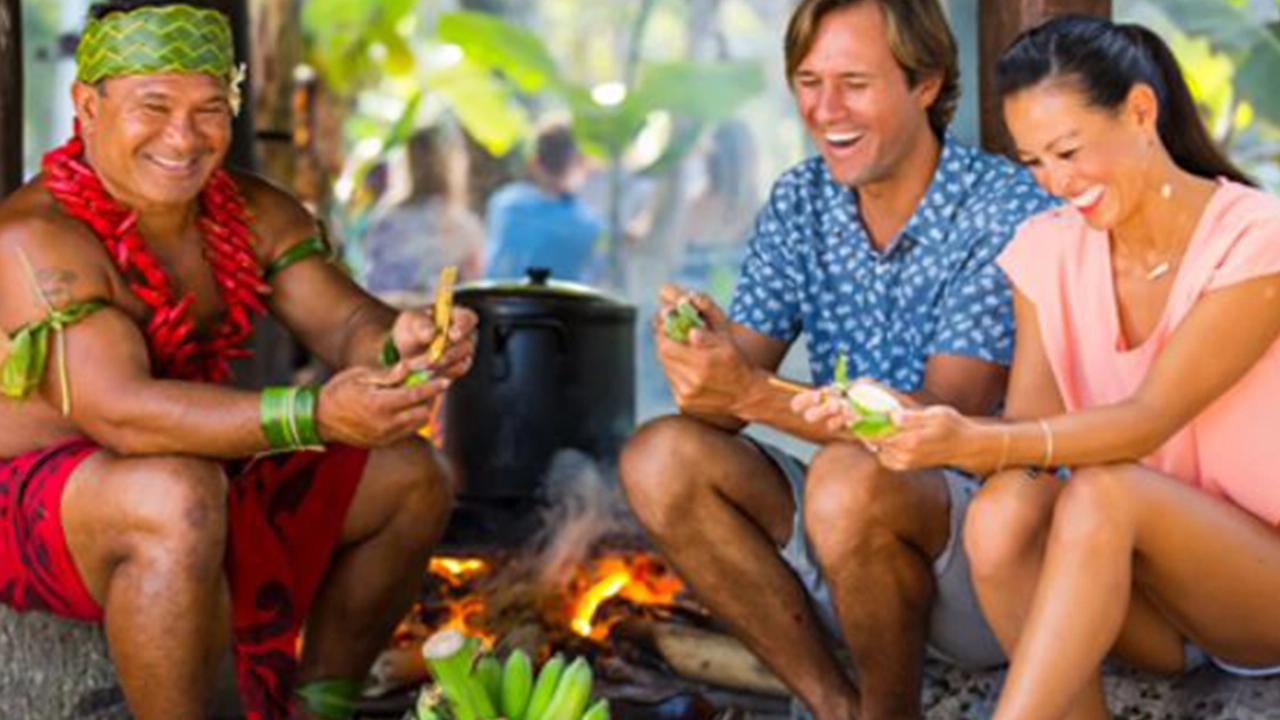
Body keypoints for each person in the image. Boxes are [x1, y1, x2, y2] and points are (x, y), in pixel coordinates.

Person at [795, 15, 1280, 720]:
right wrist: (895, 413)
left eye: (1068, 151)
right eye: (1034, 162)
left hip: (1258, 585)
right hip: (1155, 600)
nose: (1056, 183)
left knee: (1107, 489)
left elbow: (1147, 422)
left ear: (1141, 111)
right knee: (1005, 512)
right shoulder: (1045, 251)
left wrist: (971, 437)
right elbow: (1024, 434)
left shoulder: (1256, 238)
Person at [0, 2, 477, 719]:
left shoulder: (251, 210)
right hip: (40, 507)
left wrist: (402, 342)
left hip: (201, 472)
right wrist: (319, 415)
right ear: (87, 105)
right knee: (176, 493)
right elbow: (123, 414)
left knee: (411, 473)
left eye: (210, 108)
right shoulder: (33, 239)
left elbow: (347, 321)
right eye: (153, 106)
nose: (184, 137)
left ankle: (318, 707)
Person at [618, 0, 1054, 717]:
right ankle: (833, 705)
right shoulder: (801, 199)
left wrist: (750, 391)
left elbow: (945, 423)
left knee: (851, 473)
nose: (825, 109)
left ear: (925, 83)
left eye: (854, 81)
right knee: (658, 456)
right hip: (843, 527)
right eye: (808, 80)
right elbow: (715, 407)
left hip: (985, 552)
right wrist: (696, 351)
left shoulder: (998, 203)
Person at [363, 125, 485, 304]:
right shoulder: (462, 225)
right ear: (452, 163)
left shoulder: (383, 218)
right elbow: (473, 291)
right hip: (434, 325)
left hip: (383, 319)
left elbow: (371, 280)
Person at [484, 121, 604, 282]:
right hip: (564, 305)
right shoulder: (589, 224)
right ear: (582, 164)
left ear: (534, 162)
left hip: (501, 303)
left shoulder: (505, 204)